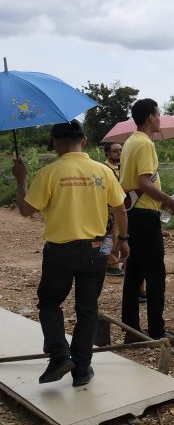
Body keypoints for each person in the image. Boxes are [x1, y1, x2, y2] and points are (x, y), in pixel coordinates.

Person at [11, 121, 127, 387]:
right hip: (96, 251)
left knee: (50, 303)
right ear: (84, 141)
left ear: (54, 143)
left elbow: (27, 210)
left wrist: (21, 179)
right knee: (87, 310)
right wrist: (123, 240)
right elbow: (120, 209)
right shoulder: (103, 171)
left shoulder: (48, 173)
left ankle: (60, 355)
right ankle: (82, 370)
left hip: (60, 252)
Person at [119, 99, 174, 346]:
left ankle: (131, 330)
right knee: (155, 274)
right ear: (150, 117)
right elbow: (145, 182)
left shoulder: (129, 142)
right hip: (145, 216)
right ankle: (157, 332)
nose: (160, 118)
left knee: (134, 273)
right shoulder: (145, 144)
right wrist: (169, 200)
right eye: (158, 114)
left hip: (131, 213)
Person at [102, 142, 129, 276]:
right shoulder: (105, 169)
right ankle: (111, 264)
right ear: (107, 153)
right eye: (115, 151)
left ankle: (119, 261)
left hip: (121, 205)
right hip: (110, 207)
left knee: (120, 235)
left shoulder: (121, 167)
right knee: (111, 236)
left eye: (121, 150)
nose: (119, 153)